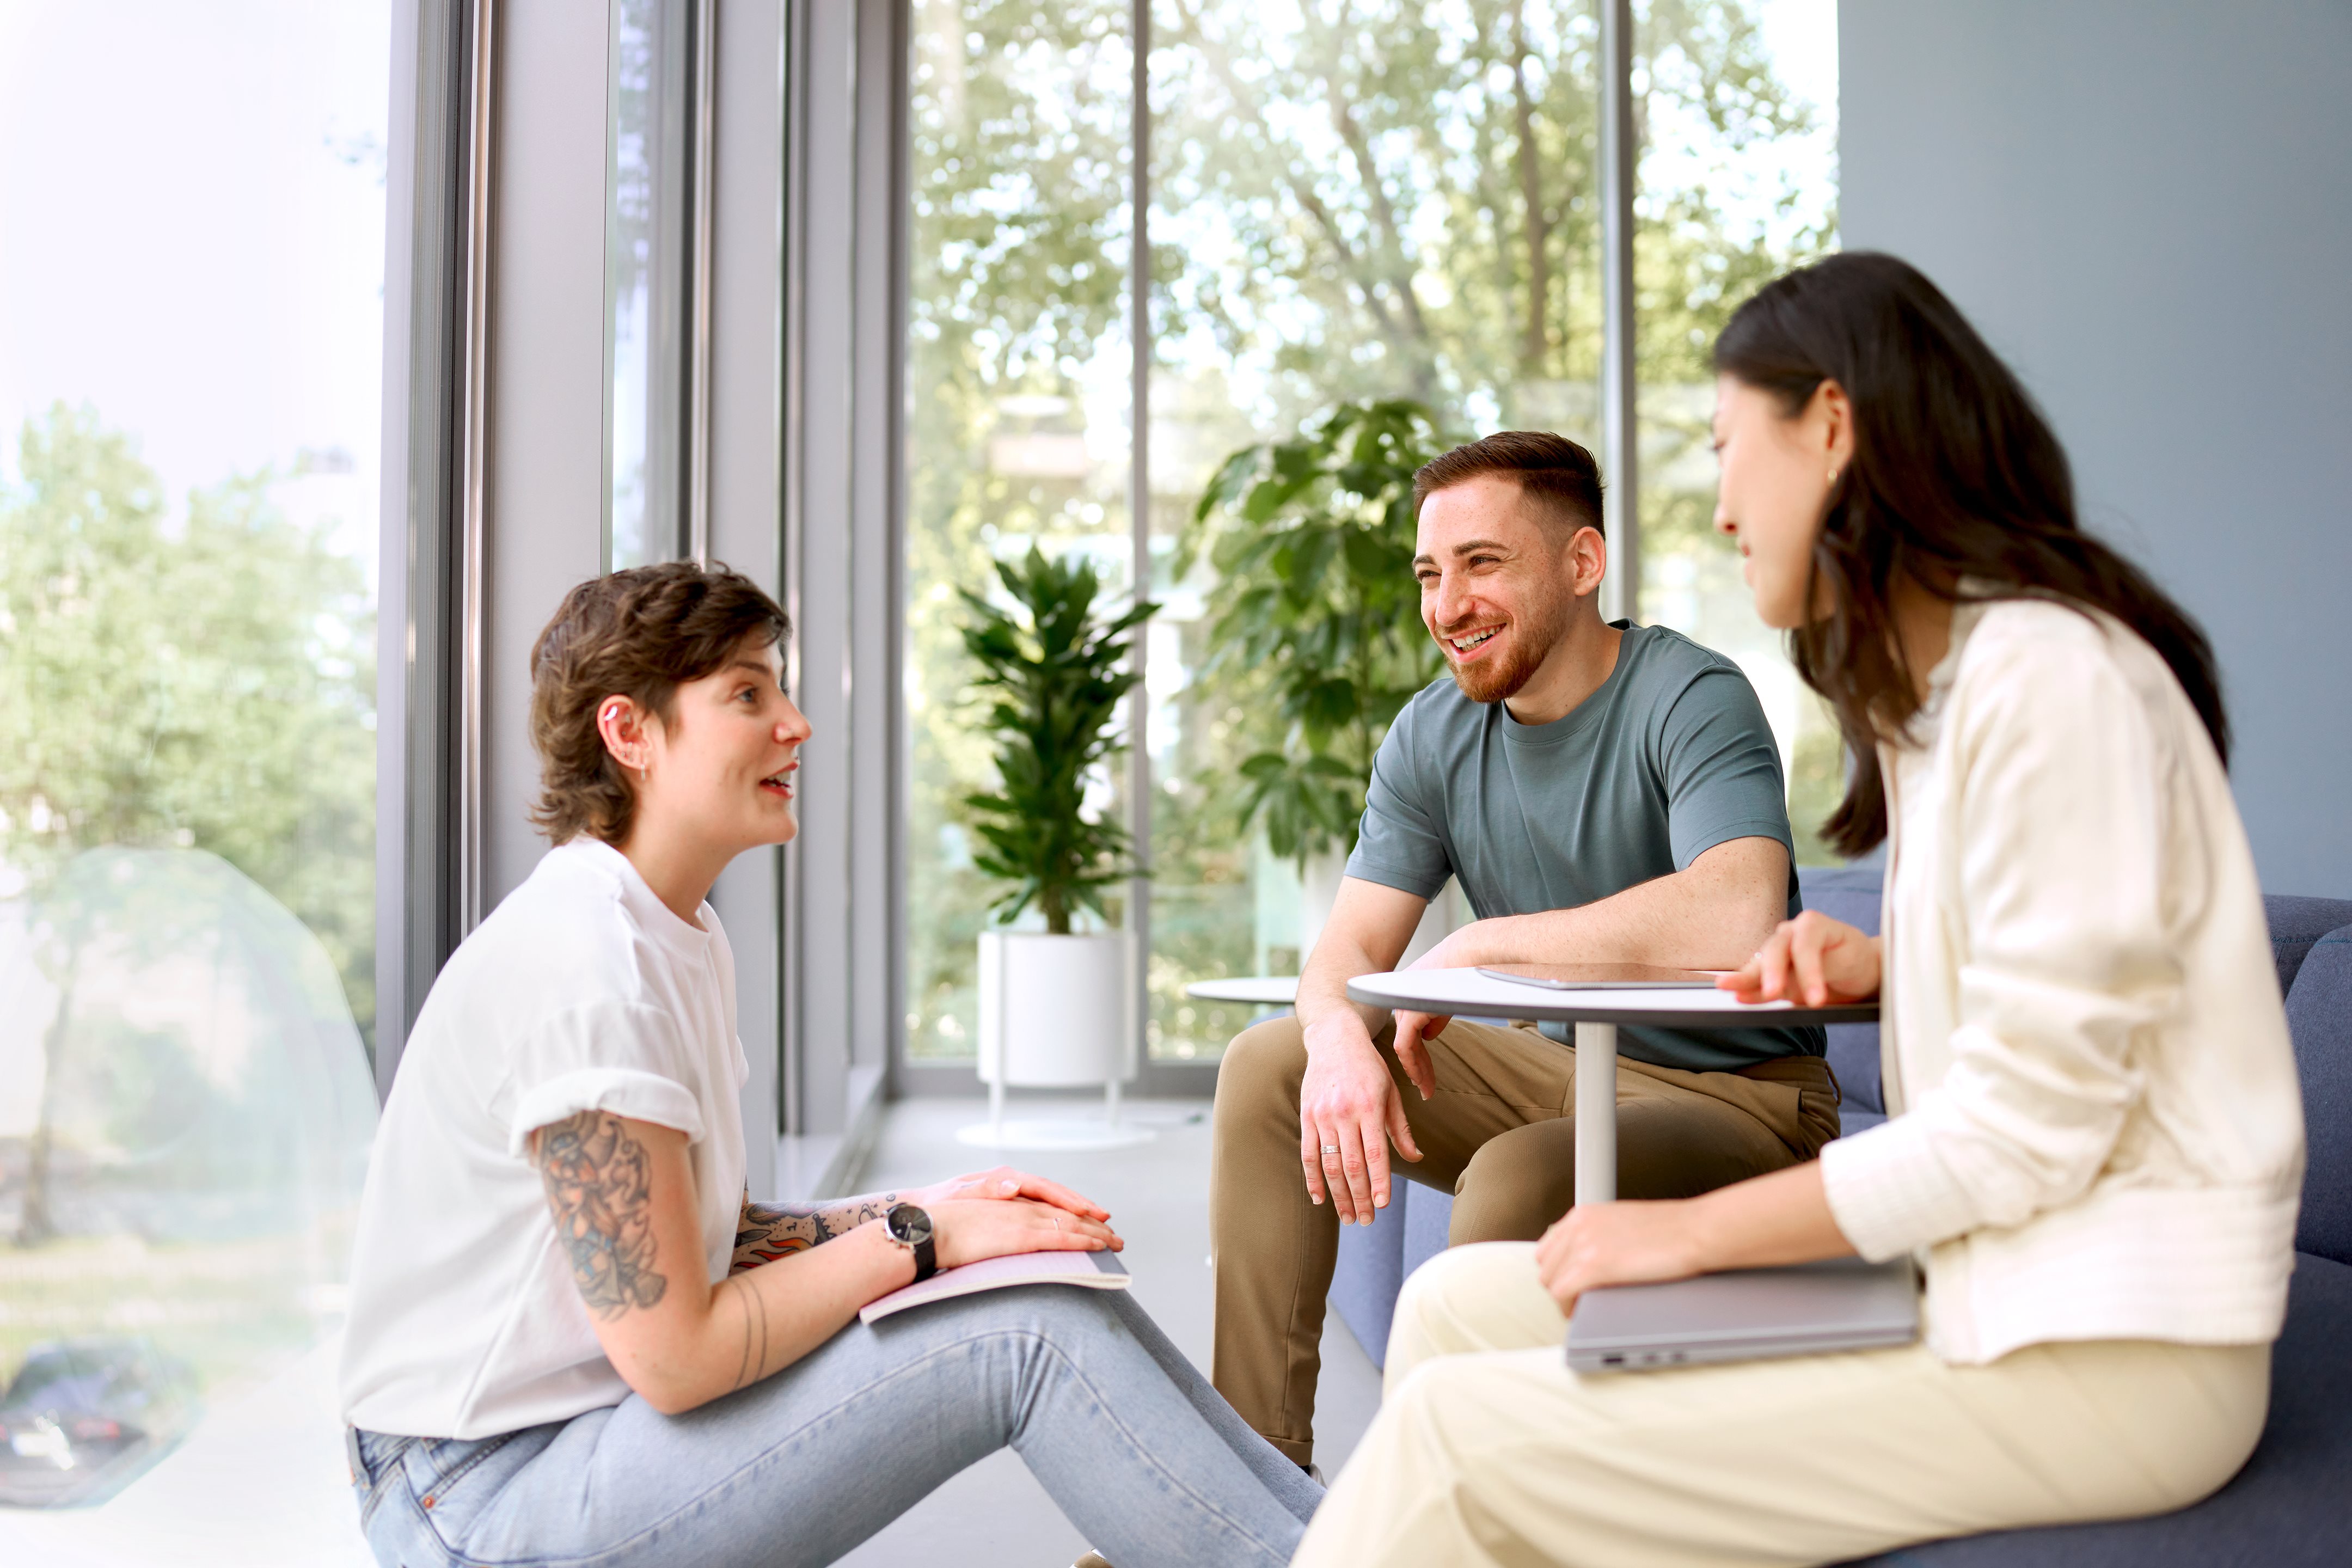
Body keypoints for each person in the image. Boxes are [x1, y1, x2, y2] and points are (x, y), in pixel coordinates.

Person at [1292, 252, 2305, 1567]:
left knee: (1456, 1437)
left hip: (2110, 1339)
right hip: (1987, 1278)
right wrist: (1889, 959)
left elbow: (2019, 1136)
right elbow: (2080, 990)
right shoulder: (1952, 702)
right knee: (1461, 1311)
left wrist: (1687, 1234)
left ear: (1832, 427)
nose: (1719, 510)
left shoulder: (2053, 685)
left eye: (1728, 450)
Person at [338, 563, 1321, 1568]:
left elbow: (706, 1244)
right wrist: (921, 1233)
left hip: (571, 1438)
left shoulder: (676, 932)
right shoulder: (587, 970)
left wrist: (948, 1208)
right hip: (478, 1501)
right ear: (628, 733)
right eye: (748, 695)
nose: (795, 724)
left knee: (1047, 1264)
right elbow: (679, 1356)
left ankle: (1346, 1539)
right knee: (1024, 1335)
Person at [1212, 429, 1838, 1469]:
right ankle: (1244, 1496)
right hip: (1555, 1069)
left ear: (1583, 565)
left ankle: (1443, 1519)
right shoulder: (1432, 736)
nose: (1446, 605)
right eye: (1430, 573)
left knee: (1518, 1176)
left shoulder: (1691, 696)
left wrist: (1481, 947)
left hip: (1745, 1100)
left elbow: (1739, 911)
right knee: (1270, 1064)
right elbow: (1342, 960)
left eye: (1483, 564)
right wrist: (1332, 1043)